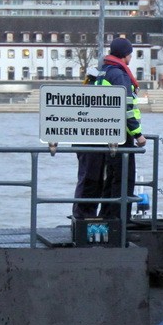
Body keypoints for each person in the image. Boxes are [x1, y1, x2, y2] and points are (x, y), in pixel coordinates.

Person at [96, 37, 146, 219]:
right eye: (130, 54)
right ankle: (120, 221)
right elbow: (126, 107)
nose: (131, 58)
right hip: (121, 134)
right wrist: (138, 134)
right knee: (124, 178)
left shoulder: (103, 71)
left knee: (111, 177)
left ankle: (107, 216)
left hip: (107, 132)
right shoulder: (119, 74)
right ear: (125, 55)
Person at [71, 67, 103, 219]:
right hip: (90, 142)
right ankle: (83, 214)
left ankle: (84, 213)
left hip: (87, 142)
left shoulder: (84, 92)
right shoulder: (91, 93)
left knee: (88, 178)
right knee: (90, 179)